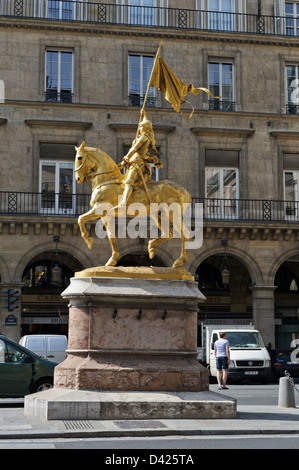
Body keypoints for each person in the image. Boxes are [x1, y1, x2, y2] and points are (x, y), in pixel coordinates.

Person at [114, 110, 162, 210]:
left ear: (145, 128)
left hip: (137, 161)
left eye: (141, 127)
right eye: (140, 126)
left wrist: (126, 157)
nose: (139, 128)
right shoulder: (148, 136)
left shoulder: (143, 138)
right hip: (140, 161)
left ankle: (123, 203)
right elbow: (147, 123)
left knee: (128, 181)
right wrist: (144, 115)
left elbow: (134, 148)